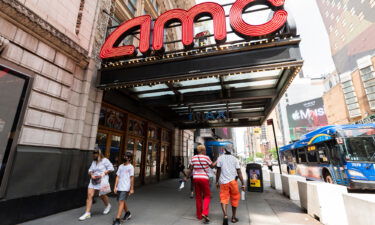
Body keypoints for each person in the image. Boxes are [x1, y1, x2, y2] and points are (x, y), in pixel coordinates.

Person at [79, 149, 114, 221]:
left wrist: (104, 173)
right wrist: (91, 174)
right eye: (93, 154)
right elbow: (90, 170)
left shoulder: (105, 160)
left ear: (99, 154)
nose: (94, 155)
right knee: (89, 195)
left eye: (95, 154)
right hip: (93, 180)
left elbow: (111, 168)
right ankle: (87, 213)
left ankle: (108, 205)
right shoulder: (94, 162)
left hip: (102, 180)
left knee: (101, 195)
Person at [216, 144, 245, 225]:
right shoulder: (235, 159)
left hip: (224, 182)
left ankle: (225, 215)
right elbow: (239, 172)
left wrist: (217, 182)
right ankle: (233, 217)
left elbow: (218, 171)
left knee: (223, 198)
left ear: (224, 149)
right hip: (233, 182)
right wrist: (243, 183)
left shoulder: (220, 158)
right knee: (235, 198)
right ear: (232, 150)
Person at [184, 145, 214, 224]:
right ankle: (205, 212)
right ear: (203, 150)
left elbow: (190, 169)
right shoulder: (206, 158)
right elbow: (212, 166)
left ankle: (199, 215)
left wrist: (186, 177)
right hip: (204, 179)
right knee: (207, 196)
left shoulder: (193, 158)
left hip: (196, 178)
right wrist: (217, 161)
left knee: (198, 197)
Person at [113, 152, 135, 225]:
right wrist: (115, 186)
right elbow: (117, 176)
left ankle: (117, 219)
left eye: (126, 156)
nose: (124, 157)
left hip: (126, 187)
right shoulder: (121, 166)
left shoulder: (131, 167)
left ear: (129, 159)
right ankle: (127, 213)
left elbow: (132, 178)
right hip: (119, 187)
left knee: (121, 202)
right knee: (122, 201)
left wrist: (131, 188)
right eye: (124, 156)